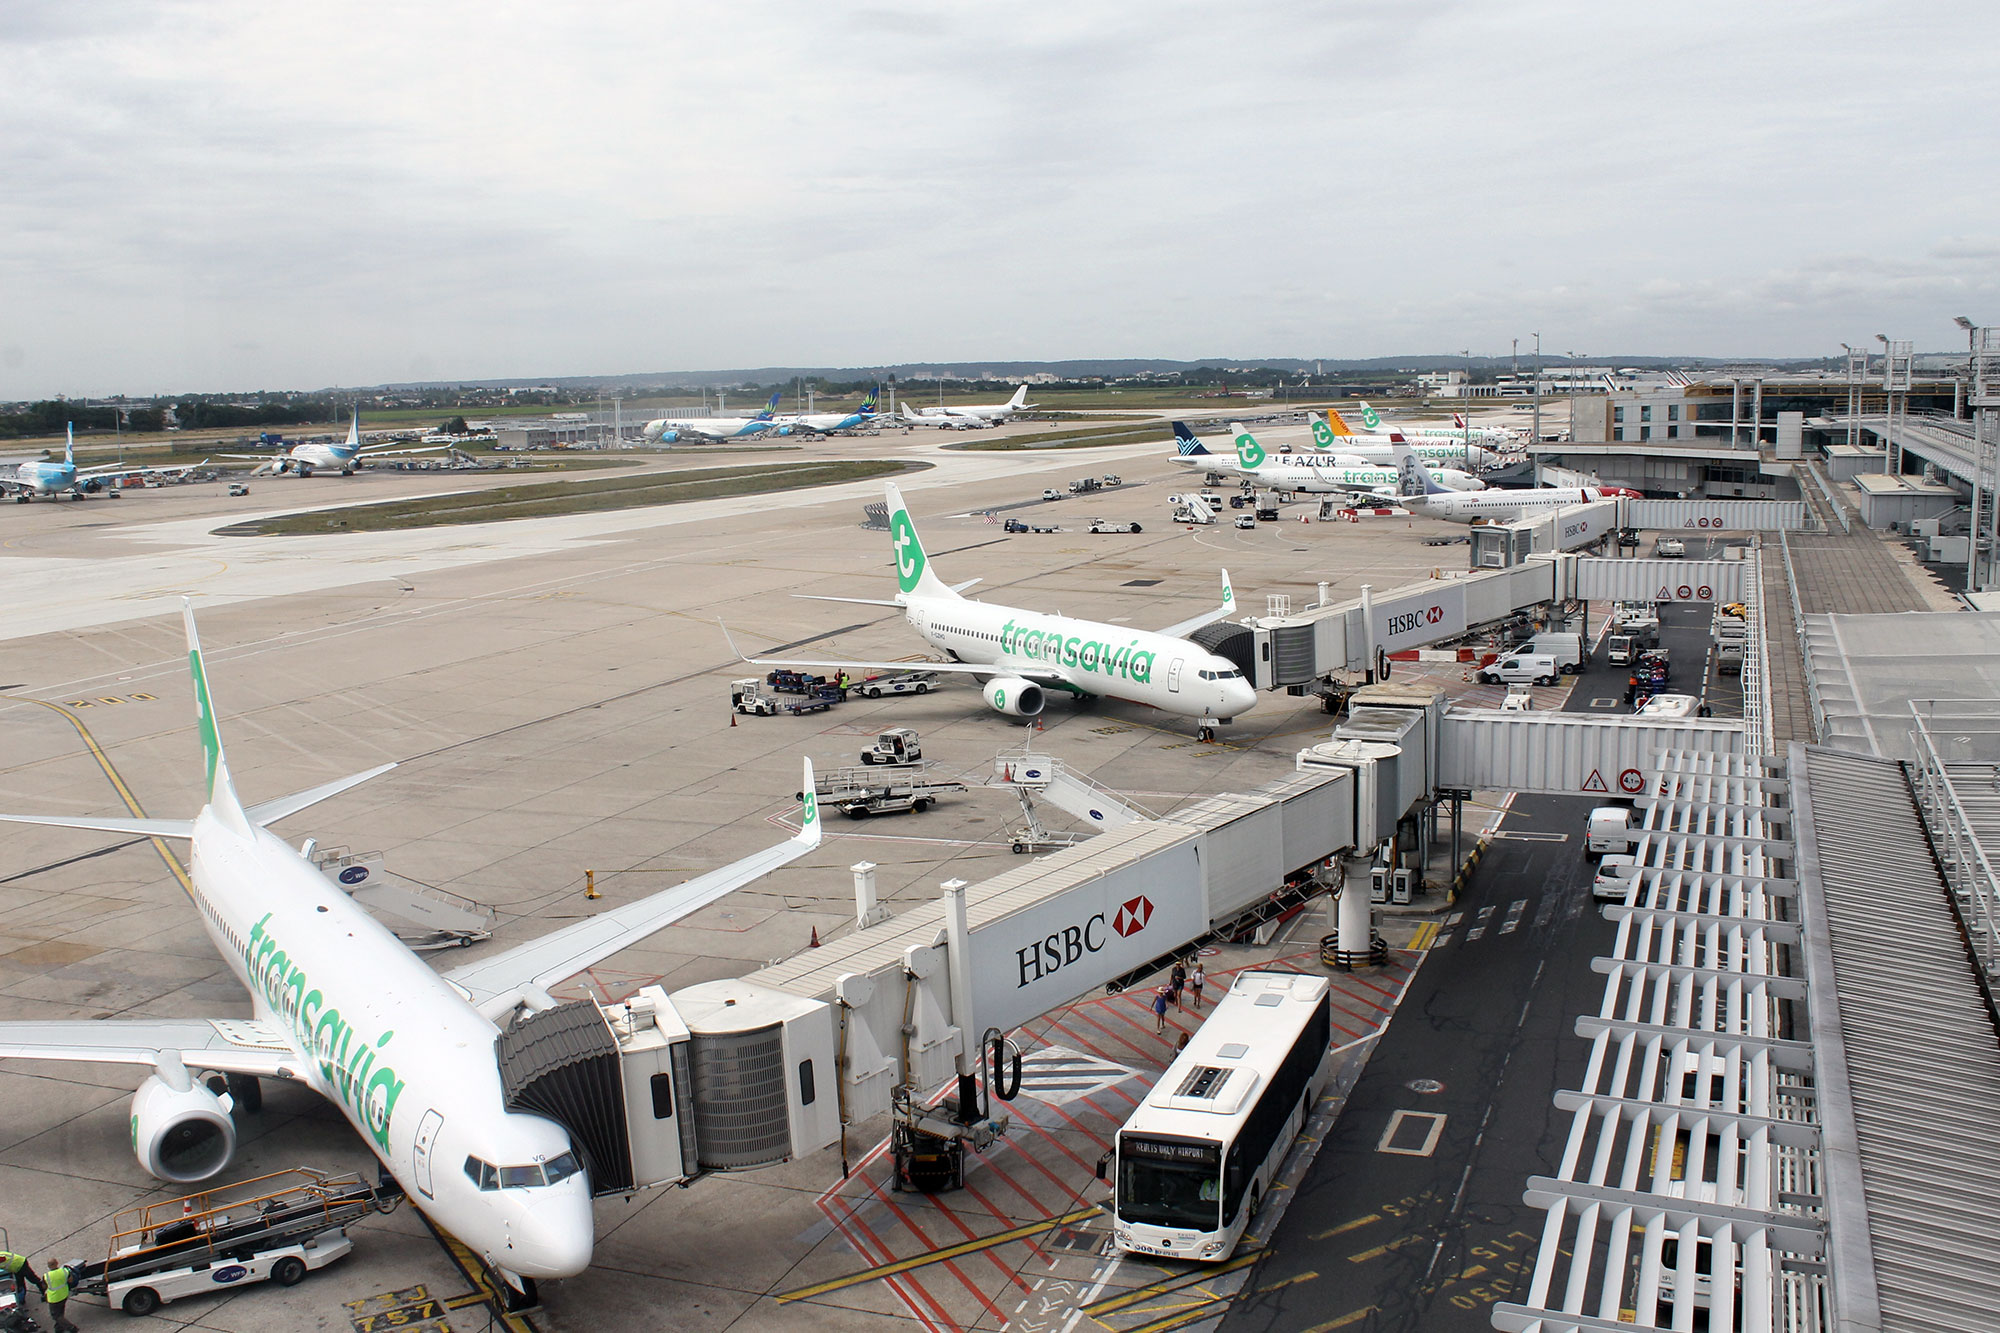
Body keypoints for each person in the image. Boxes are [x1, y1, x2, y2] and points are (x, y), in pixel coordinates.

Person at [42, 1260, 78, 1333]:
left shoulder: (46, 1276)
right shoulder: (64, 1271)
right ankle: (59, 1328)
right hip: (64, 1295)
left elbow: (43, 1286)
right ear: (57, 1263)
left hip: (54, 1298)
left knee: (56, 1316)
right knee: (60, 1312)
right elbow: (70, 1280)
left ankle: (71, 1327)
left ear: (48, 1266)